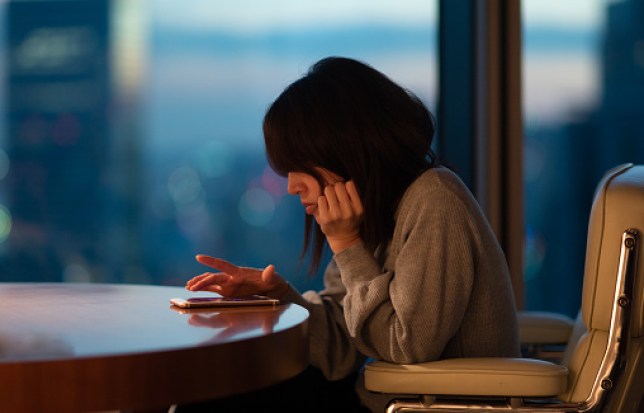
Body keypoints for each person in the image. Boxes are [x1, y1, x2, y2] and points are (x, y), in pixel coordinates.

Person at [177, 56, 520, 412]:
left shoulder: (435, 199)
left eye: (300, 165)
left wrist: (347, 245)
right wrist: (280, 298)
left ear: (346, 148)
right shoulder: (377, 211)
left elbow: (406, 345)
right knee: (205, 391)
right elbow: (345, 343)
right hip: (381, 398)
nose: (292, 186)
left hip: (419, 404)